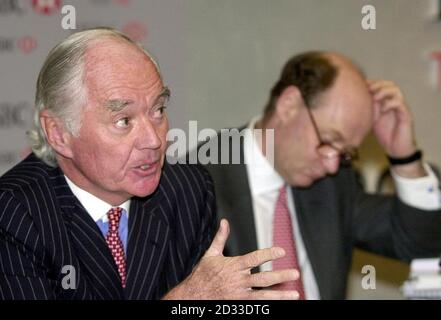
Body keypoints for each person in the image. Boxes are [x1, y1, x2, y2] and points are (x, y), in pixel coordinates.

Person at [0, 28, 299, 300]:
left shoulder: (187, 191)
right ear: (59, 133)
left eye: (158, 110)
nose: (154, 140)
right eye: (123, 120)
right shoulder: (14, 212)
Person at [203, 51, 441, 299]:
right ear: (289, 105)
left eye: (345, 153)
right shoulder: (196, 186)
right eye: (328, 141)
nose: (331, 165)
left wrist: (404, 156)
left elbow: (419, 244)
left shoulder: (333, 184)